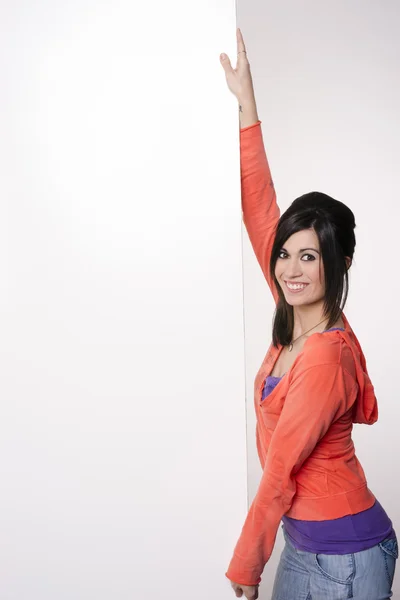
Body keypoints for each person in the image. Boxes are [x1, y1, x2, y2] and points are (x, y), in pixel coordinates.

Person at [219, 28, 398, 600]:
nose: (291, 268)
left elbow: (278, 475)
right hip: (306, 545)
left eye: (310, 256)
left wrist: (246, 563)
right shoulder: (293, 311)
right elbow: (259, 208)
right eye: (286, 253)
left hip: (345, 559)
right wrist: (247, 104)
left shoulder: (324, 356)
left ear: (338, 264)